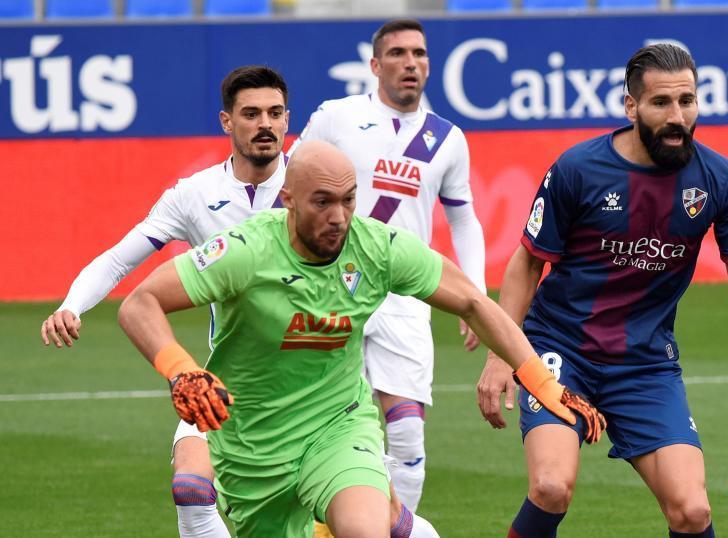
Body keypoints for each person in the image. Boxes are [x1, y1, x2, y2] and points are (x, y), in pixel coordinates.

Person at [116, 140, 604, 538]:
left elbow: (475, 303)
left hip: (338, 427)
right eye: (322, 202)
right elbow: (139, 304)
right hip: (251, 448)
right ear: (288, 199)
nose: (339, 216)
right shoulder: (245, 251)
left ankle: (382, 516)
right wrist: (181, 369)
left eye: (348, 199)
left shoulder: (376, 247)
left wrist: (544, 384)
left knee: (363, 529)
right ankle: (398, 524)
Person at [475, 43, 728, 538]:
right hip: (559, 350)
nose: (677, 116)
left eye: (688, 101)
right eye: (661, 103)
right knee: (552, 487)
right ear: (631, 106)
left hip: (644, 366)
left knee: (694, 511)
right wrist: (499, 357)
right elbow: (528, 264)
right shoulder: (577, 169)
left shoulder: (722, 180)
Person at [40, 65, 291, 538]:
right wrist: (73, 305)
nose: (266, 125)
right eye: (252, 113)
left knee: (371, 522)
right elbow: (117, 261)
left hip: (311, 386)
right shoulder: (195, 196)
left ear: (287, 118)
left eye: (275, 113)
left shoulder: (316, 187)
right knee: (193, 493)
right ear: (226, 121)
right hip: (230, 380)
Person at [290, 18, 485, 511]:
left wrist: (474, 297)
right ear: (375, 65)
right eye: (397, 54)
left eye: (419, 54)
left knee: (408, 439)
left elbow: (463, 221)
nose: (410, 63)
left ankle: (396, 526)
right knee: (324, 429)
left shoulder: (447, 139)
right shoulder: (337, 117)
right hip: (330, 289)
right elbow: (286, 194)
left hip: (402, 298)